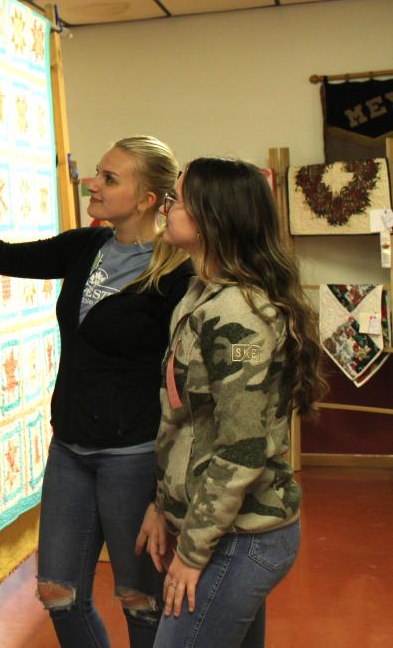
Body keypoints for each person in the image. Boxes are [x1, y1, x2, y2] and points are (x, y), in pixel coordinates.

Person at [0, 136, 192, 648]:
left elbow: (184, 387)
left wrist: (166, 492)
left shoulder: (177, 274)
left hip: (134, 456)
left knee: (140, 602)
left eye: (110, 178)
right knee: (60, 594)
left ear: (147, 199)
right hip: (71, 450)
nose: (92, 184)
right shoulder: (87, 246)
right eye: (97, 173)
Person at [144, 158, 327, 647]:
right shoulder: (200, 294)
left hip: (239, 537)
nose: (166, 207)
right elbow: (183, 421)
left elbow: (240, 449)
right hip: (219, 528)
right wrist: (161, 505)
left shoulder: (236, 314)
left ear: (210, 218)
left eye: (176, 199)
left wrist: (192, 551)